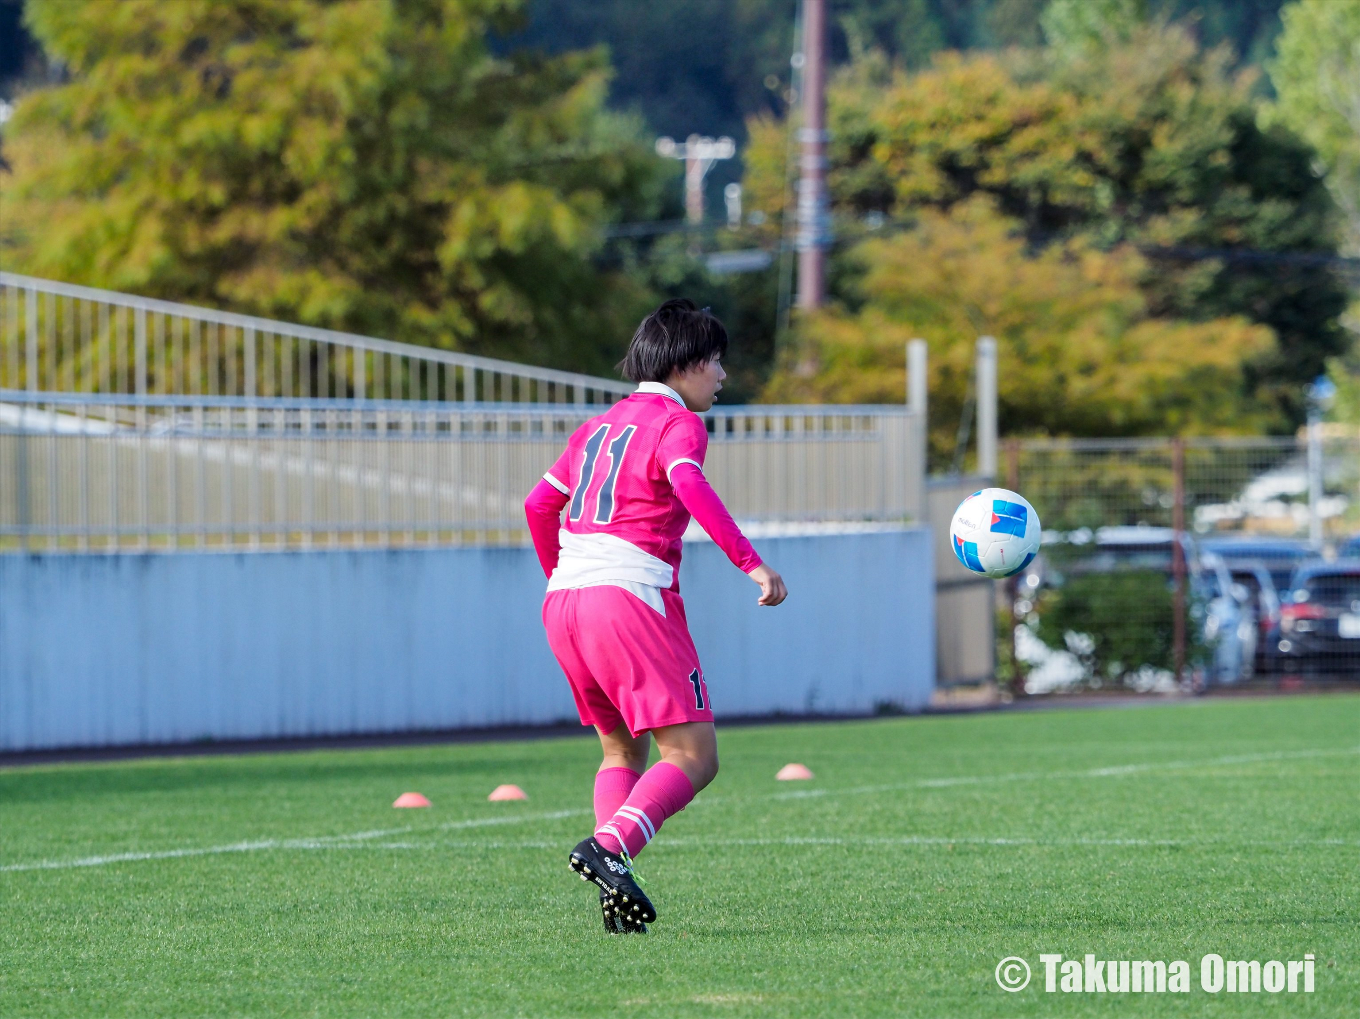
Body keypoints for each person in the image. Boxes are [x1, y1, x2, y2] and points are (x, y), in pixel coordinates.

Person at [523, 298, 788, 934]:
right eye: (717, 362)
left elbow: (538, 505)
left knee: (621, 751)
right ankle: (610, 851)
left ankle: (617, 889)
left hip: (565, 601)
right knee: (696, 754)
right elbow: (689, 485)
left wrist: (567, 578)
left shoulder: (600, 426)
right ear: (688, 364)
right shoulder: (678, 421)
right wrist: (752, 564)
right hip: (630, 597)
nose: (723, 375)